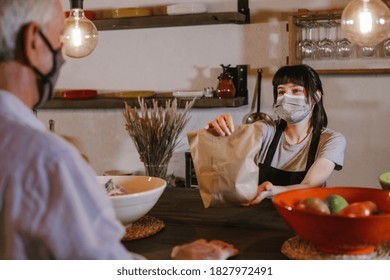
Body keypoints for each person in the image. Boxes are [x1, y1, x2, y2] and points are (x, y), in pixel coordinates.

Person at [0, 0, 228, 260]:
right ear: (32, 42)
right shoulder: (48, 161)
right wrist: (179, 262)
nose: (63, 58)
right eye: (59, 39)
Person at [206, 64, 346, 205]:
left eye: (296, 90)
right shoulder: (267, 129)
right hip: (260, 215)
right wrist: (219, 131)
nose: (286, 97)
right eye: (281, 92)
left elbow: (310, 185)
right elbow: (236, 140)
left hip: (304, 214)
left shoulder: (331, 140)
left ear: (316, 96)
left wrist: (273, 191)